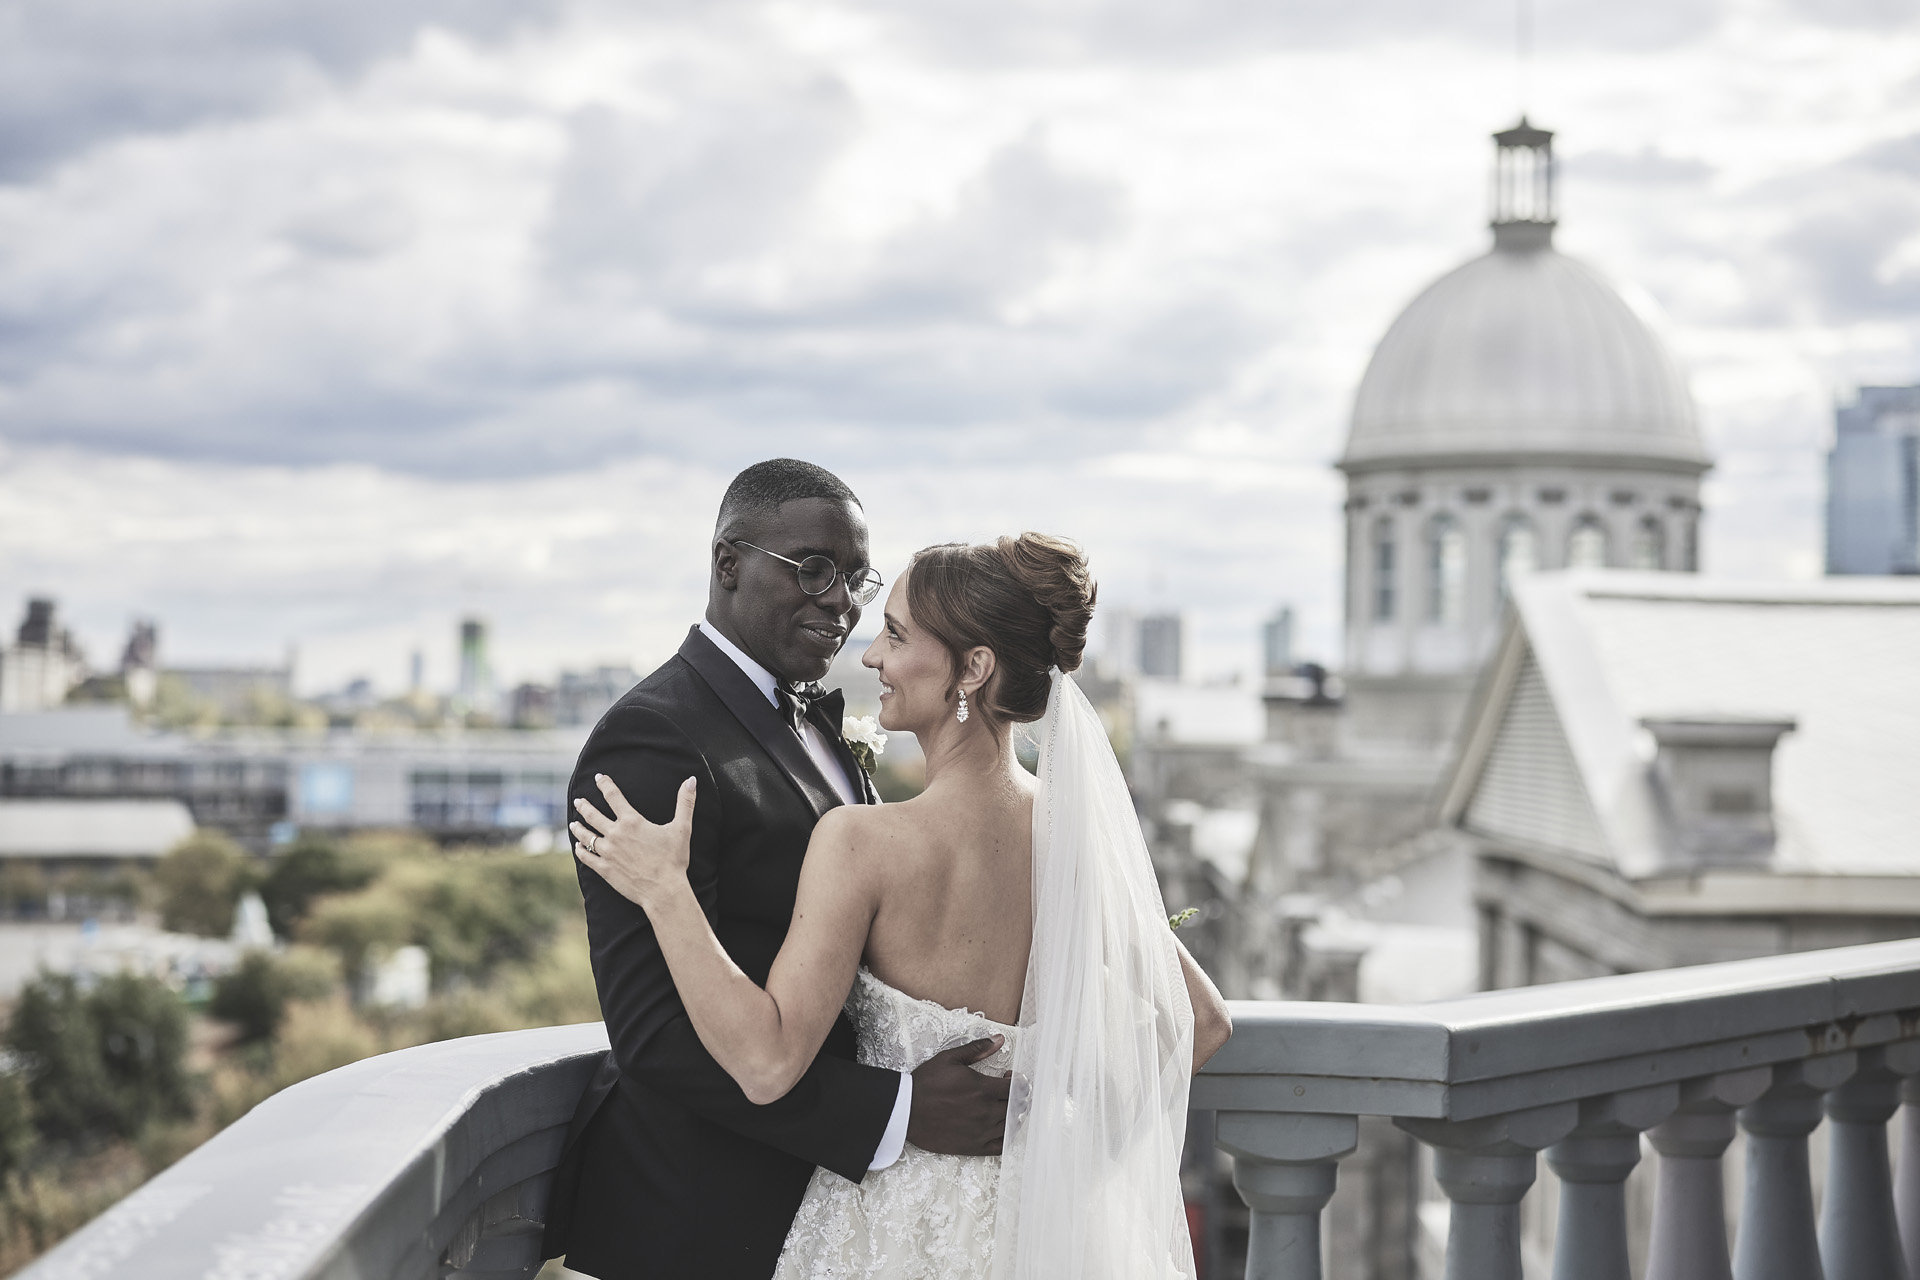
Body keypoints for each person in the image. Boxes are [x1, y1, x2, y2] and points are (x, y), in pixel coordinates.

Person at [572, 530, 1233, 1278]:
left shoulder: (862, 843)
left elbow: (765, 1063)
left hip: (890, 1233)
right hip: (1045, 1229)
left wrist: (666, 894)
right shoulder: (1077, 838)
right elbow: (1202, 1022)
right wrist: (1070, 1152)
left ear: (974, 668)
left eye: (896, 634)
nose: (872, 656)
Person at [541, 460, 1013, 1280]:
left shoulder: (817, 721)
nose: (842, 601)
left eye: (856, 577)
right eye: (815, 569)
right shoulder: (653, 740)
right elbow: (655, 1037)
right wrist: (898, 1111)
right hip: (705, 1217)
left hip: (842, 1213)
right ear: (729, 563)